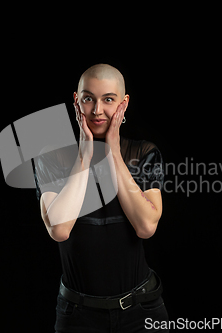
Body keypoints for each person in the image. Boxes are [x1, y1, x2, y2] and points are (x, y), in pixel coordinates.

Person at [33, 64, 169, 332]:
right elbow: (59, 229)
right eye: (88, 99)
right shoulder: (51, 157)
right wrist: (83, 156)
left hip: (141, 311)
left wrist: (114, 154)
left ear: (124, 103)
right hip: (77, 316)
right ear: (76, 101)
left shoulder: (144, 153)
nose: (97, 110)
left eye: (108, 99)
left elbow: (146, 227)